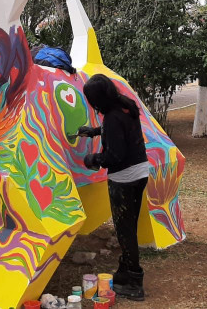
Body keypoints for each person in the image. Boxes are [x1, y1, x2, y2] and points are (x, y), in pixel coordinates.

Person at [77, 74, 148, 301]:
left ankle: (134, 282)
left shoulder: (112, 117)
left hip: (125, 180)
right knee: (129, 227)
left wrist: (92, 159)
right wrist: (95, 131)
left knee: (125, 231)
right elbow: (120, 131)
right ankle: (125, 271)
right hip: (139, 172)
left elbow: (114, 156)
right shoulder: (125, 106)